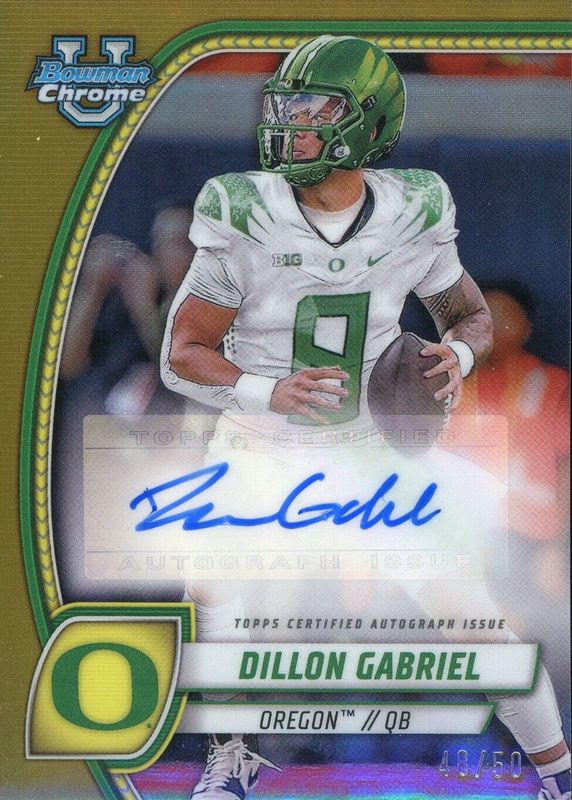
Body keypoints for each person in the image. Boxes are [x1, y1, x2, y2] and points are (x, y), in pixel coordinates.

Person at [161, 36, 570, 800]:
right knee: (211, 588)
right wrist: (265, 390)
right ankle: (232, 757)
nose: (291, 125)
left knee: (469, 618)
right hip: (261, 439)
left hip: (367, 442)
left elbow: (470, 315)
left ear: (367, 122)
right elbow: (182, 352)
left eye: (313, 110)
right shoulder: (242, 209)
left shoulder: (413, 208)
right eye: (286, 108)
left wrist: (460, 356)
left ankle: (559, 773)